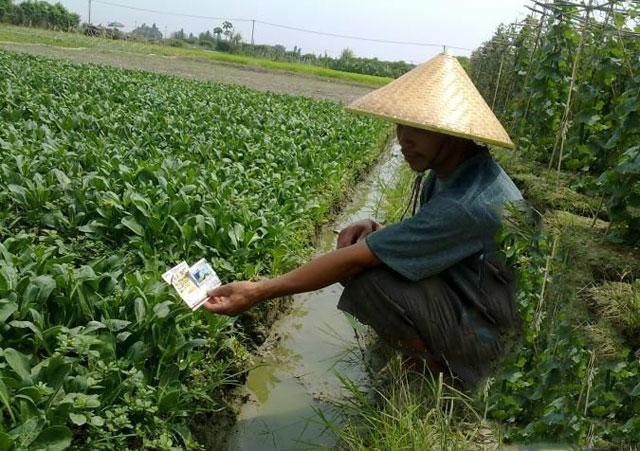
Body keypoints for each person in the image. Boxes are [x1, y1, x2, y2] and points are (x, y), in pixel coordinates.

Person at [204, 53, 523, 388]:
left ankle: (437, 373)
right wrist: (381, 233)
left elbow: (360, 258)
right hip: (478, 305)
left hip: (489, 339)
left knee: (367, 278)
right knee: (369, 253)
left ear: (452, 132)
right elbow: (442, 244)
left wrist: (258, 291)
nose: (403, 139)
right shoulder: (456, 173)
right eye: (401, 125)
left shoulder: (467, 202)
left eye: (417, 128)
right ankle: (433, 355)